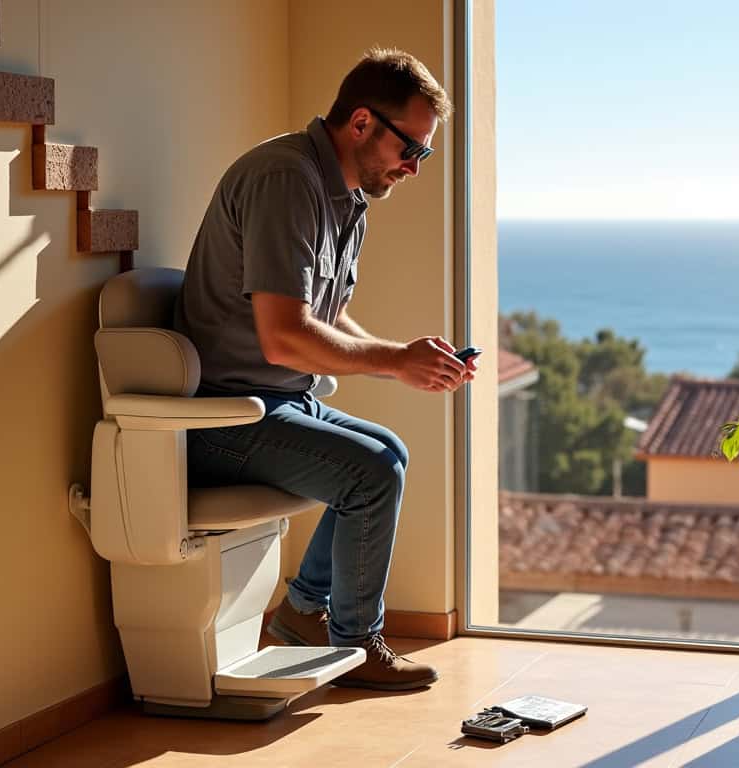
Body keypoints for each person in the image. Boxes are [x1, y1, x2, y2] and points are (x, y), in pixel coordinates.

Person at [173, 48, 475, 691]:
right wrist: (394, 361)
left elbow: (326, 318)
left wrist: (408, 360)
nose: (414, 168)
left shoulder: (346, 197)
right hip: (224, 416)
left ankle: (304, 613)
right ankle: (355, 643)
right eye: (412, 150)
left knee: (386, 451)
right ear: (362, 122)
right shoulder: (287, 180)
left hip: (273, 403)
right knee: (372, 470)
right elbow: (285, 338)